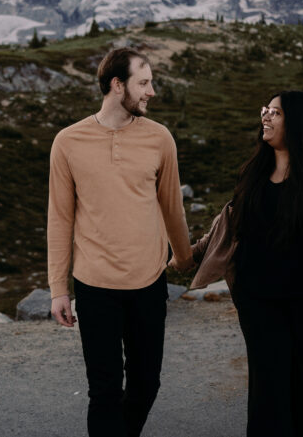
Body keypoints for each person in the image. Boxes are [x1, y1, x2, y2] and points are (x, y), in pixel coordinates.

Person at [187, 91, 303, 437]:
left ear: (297, 122)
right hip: (259, 303)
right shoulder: (254, 172)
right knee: (268, 394)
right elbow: (230, 222)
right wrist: (192, 255)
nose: (265, 117)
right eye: (265, 110)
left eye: (276, 113)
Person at [47, 46, 194, 437]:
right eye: (143, 83)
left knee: (147, 384)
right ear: (117, 85)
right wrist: (58, 290)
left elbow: (172, 208)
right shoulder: (67, 142)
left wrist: (185, 258)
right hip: (95, 286)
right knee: (104, 391)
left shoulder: (160, 139)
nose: (152, 92)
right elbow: (59, 219)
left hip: (148, 281)